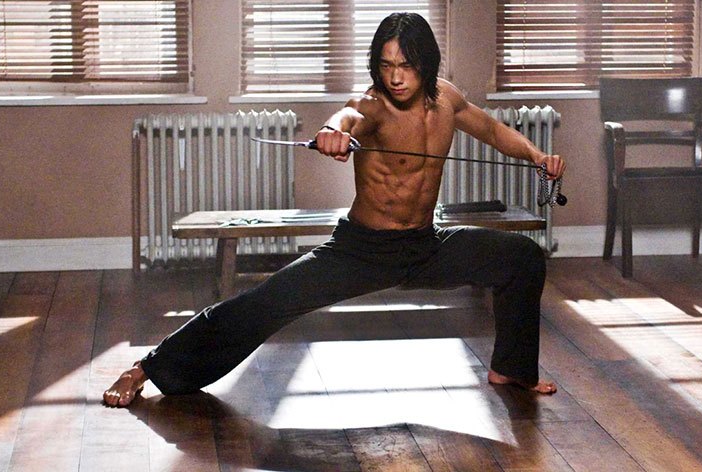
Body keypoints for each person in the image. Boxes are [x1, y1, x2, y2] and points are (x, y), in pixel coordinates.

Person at [103, 12, 566, 407]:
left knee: (521, 257)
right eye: (386, 66)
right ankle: (149, 368)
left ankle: (511, 368)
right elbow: (346, 117)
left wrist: (537, 156)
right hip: (362, 250)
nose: (396, 77)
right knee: (261, 305)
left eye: (406, 66)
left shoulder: (448, 100)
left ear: (427, 63)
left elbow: (493, 130)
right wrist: (332, 131)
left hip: (425, 244)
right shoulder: (372, 105)